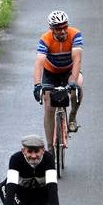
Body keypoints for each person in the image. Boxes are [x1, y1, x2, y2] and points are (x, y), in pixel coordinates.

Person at [33, 10, 84, 143]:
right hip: (51, 73)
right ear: (51, 29)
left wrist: (73, 80)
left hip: (69, 70)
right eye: (58, 28)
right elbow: (39, 63)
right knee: (49, 106)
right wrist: (37, 85)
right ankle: (50, 147)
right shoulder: (45, 39)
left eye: (64, 27)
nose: (62, 31)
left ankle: (72, 116)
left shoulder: (75, 34)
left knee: (76, 88)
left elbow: (77, 59)